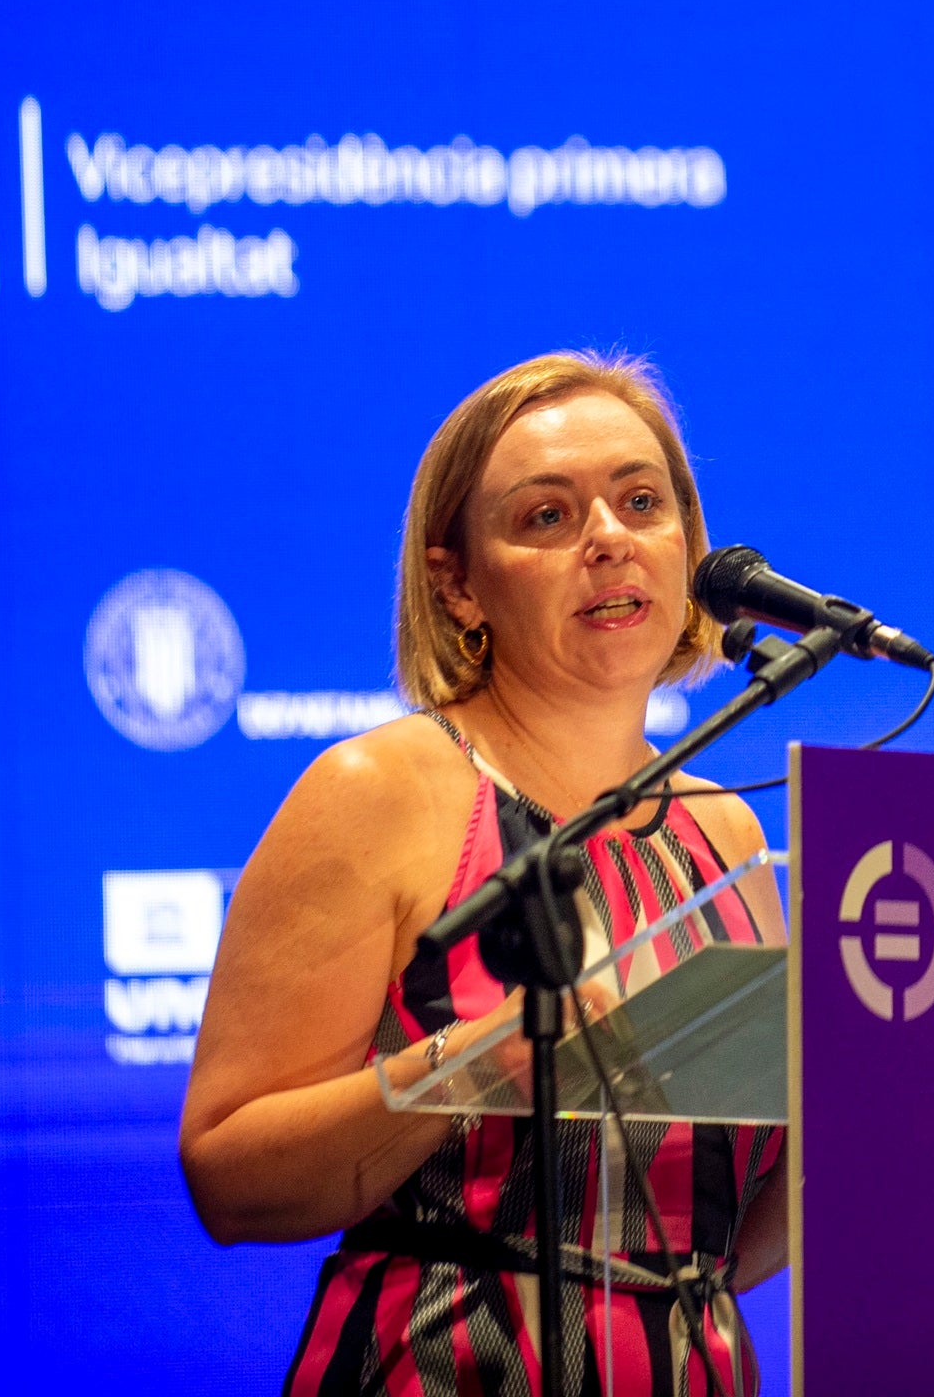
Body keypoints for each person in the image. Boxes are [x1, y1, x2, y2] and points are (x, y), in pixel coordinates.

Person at [182, 352, 786, 1396]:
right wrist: (482, 1059)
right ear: (457, 582)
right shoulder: (381, 790)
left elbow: (719, 1239)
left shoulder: (725, 837)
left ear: (688, 548)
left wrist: (883, 1117)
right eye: (546, 517)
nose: (608, 536)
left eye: (641, 501)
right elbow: (230, 1178)